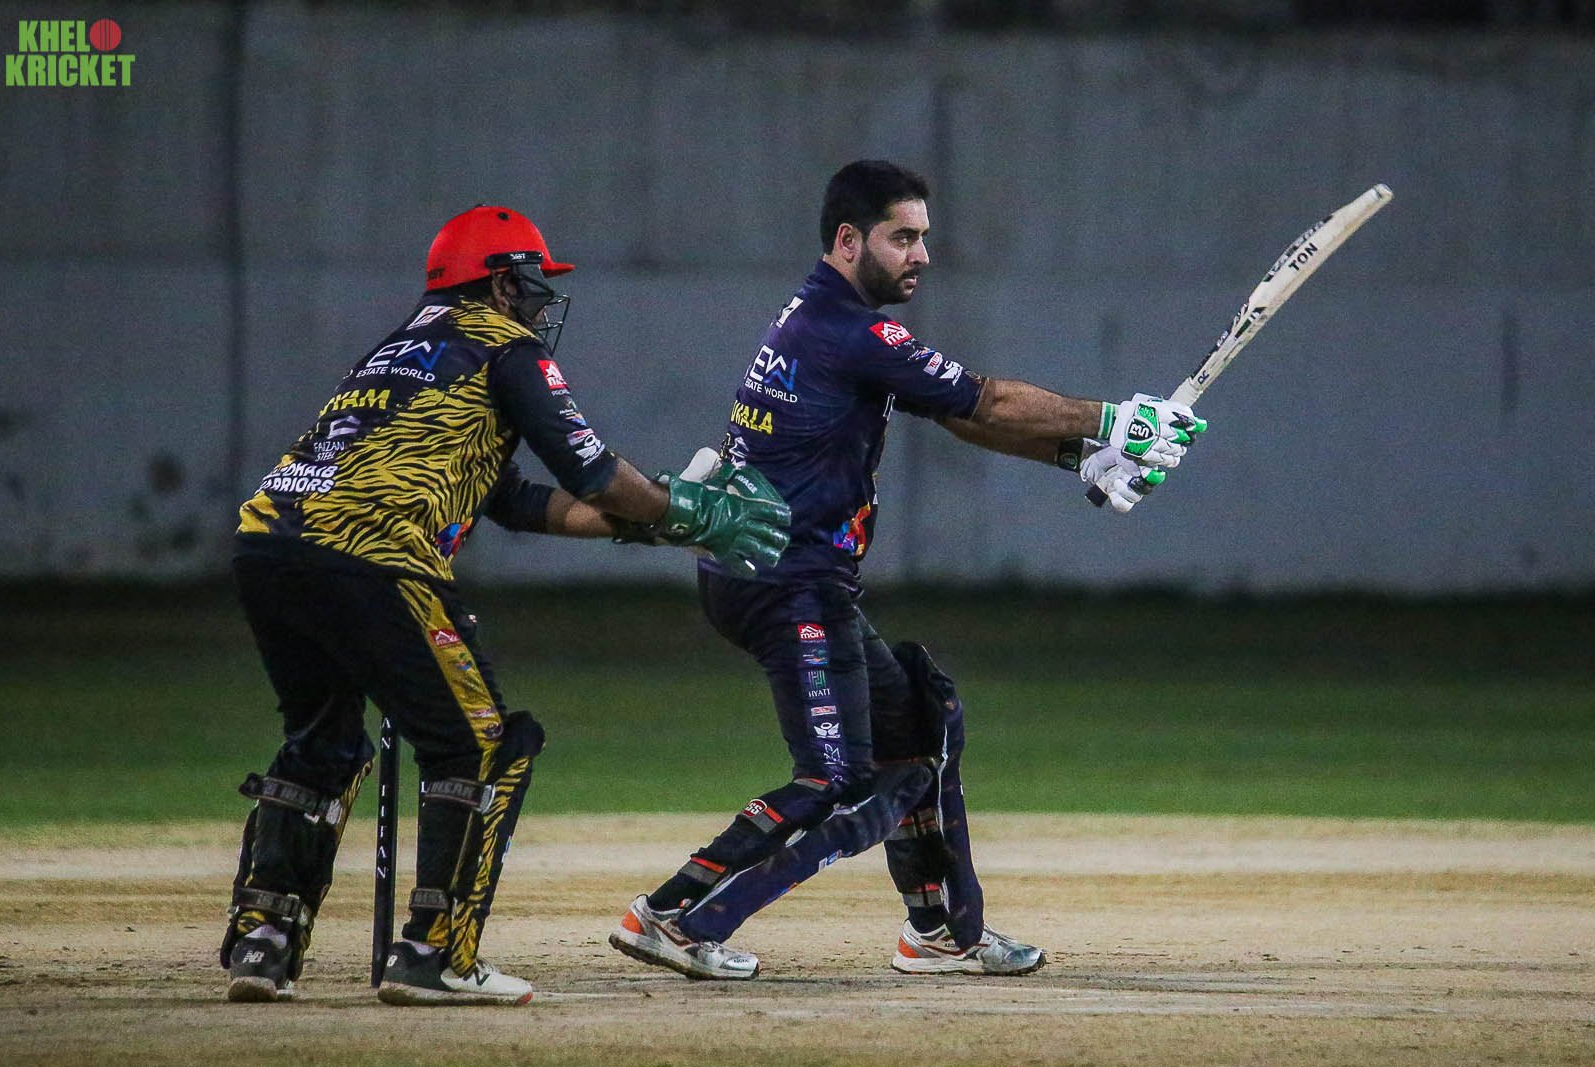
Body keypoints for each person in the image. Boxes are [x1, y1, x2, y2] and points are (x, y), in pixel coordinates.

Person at [607, 160, 1204, 980]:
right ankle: (675, 914)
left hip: (782, 573)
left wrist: (1083, 456)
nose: (922, 254)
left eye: (924, 236)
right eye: (903, 238)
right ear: (849, 240)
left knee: (921, 727)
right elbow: (986, 399)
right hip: (785, 582)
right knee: (838, 778)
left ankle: (941, 931)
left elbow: (960, 415)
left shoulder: (827, 317)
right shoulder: (852, 331)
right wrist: (1117, 420)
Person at [220, 205, 790, 1005]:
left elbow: (512, 497)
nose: (538, 302)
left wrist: (650, 522)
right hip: (372, 550)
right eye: (530, 283)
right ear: (498, 282)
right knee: (479, 744)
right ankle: (434, 954)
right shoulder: (506, 349)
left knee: (324, 740)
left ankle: (264, 939)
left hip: (269, 544)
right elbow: (592, 472)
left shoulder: (397, 349)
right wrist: (682, 510)